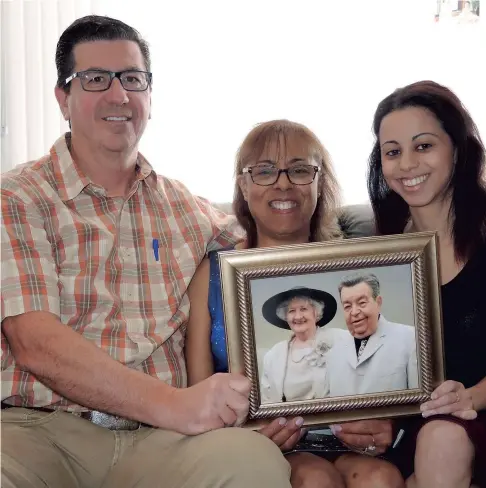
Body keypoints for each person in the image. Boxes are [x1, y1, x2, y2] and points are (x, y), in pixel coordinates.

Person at [0, 15, 293, 488]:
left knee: (252, 462)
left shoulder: (185, 208)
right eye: (95, 79)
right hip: (37, 432)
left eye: (133, 79)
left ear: (149, 98)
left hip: (161, 442)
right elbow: (34, 342)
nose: (118, 96)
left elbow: (278, 248)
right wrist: (180, 405)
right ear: (63, 98)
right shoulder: (17, 198)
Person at [185, 119, 405, 488]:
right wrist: (246, 438)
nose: (283, 183)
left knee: (381, 478)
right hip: (256, 445)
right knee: (314, 480)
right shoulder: (212, 274)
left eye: (301, 170)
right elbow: (197, 395)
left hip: (349, 442)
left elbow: (386, 373)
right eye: (265, 171)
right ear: (243, 184)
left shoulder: (357, 267)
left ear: (320, 184)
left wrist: (387, 425)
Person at [367, 80, 486, 488]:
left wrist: (465, 399)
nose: (407, 164)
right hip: (412, 428)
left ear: (458, 150)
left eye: (424, 146)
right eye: (392, 152)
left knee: (441, 437)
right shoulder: (377, 258)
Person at [329, 273, 418, 397]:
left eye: (362, 303)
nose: (354, 312)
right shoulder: (333, 353)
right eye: (347, 306)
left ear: (378, 302)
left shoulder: (411, 338)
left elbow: (421, 402)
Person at [259, 286, 348, 403]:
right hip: (289, 419)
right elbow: (267, 398)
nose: (298, 316)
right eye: (292, 311)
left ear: (316, 313)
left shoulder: (340, 339)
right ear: (286, 317)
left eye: (304, 309)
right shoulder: (274, 354)